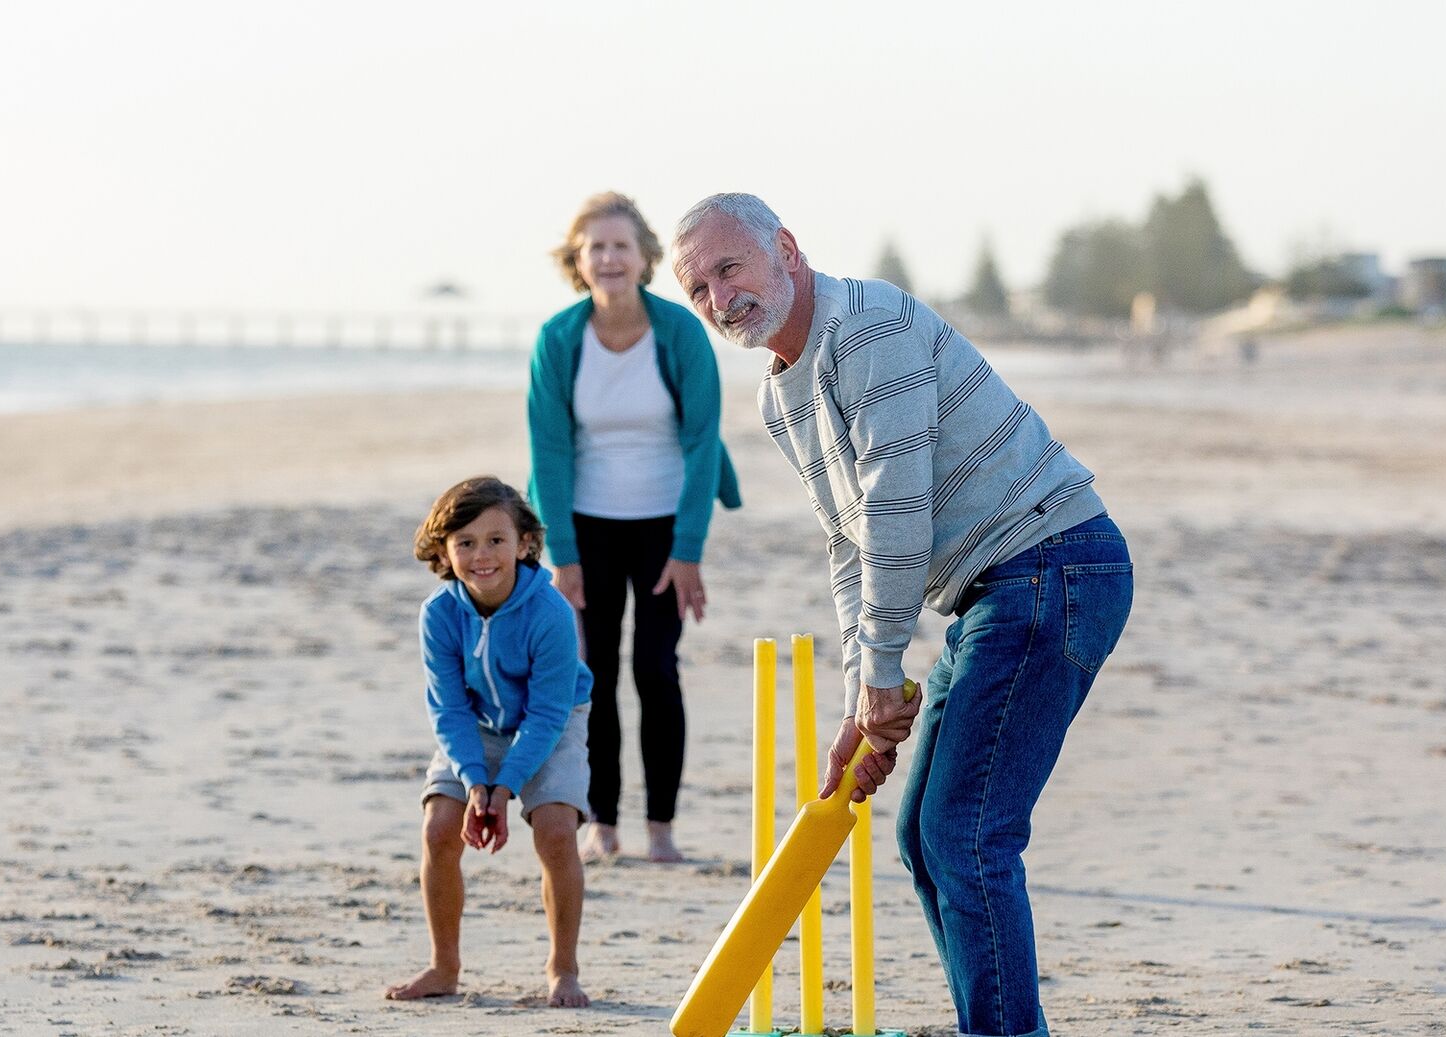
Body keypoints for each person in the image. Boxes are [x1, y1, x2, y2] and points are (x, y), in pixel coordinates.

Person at [670, 193, 1134, 1037]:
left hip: (1051, 563)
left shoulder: (867, 327)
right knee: (926, 838)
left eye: (728, 267)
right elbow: (849, 547)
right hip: (999, 589)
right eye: (697, 287)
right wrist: (864, 697)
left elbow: (895, 507)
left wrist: (886, 672)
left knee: (968, 836)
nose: (717, 298)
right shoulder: (783, 395)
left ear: (785, 248)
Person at [527, 191, 741, 864]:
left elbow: (704, 441)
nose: (610, 258)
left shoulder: (678, 332)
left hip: (662, 524)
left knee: (656, 668)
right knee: (590, 672)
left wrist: (688, 551)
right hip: (583, 527)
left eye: (621, 245)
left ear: (645, 257)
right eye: (597, 247)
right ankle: (604, 824)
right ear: (578, 260)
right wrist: (561, 557)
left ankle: (662, 828)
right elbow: (549, 451)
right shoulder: (559, 339)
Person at [385, 476, 595, 1008]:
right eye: (466, 543)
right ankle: (443, 966)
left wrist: (505, 790)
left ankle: (562, 968)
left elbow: (548, 713)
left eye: (496, 540)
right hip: (477, 724)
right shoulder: (438, 613)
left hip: (554, 720)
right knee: (438, 828)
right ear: (443, 549)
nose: (482, 556)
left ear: (524, 543)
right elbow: (448, 708)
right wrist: (477, 782)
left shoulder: (550, 611)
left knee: (553, 829)